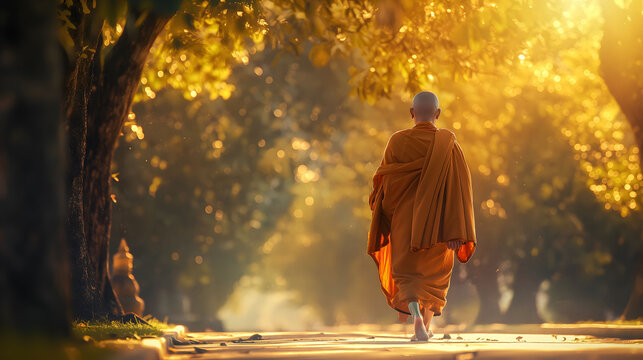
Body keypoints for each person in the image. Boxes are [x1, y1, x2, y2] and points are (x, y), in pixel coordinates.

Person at [367, 91, 477, 341]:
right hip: (440, 225)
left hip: (405, 222)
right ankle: (425, 327)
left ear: (412, 113)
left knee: (407, 275)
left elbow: (385, 186)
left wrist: (387, 216)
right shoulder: (449, 146)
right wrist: (455, 231)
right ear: (437, 114)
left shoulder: (397, 141)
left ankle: (415, 315)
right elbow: (460, 192)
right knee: (433, 278)